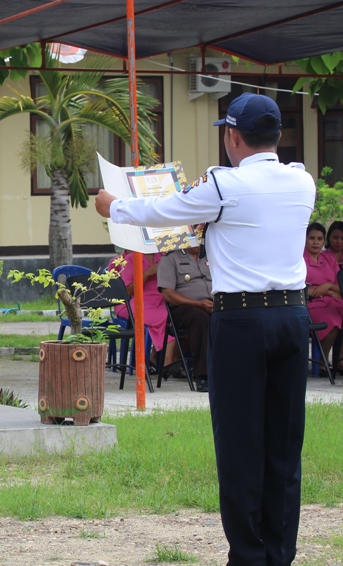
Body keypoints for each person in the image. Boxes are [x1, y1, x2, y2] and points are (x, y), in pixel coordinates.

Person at [95, 92, 315, 566]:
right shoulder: (302, 182)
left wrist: (114, 206)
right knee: (283, 445)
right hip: (293, 318)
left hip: (241, 320)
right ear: (276, 137)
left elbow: (162, 211)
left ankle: (248, 557)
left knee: (239, 445)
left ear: (233, 136)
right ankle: (279, 554)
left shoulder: (222, 184)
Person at [108, 249, 175, 372]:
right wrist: (147, 273)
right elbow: (128, 291)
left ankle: (155, 359)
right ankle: (167, 363)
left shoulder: (164, 257)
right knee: (170, 319)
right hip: (139, 302)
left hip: (162, 301)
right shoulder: (129, 260)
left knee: (181, 316)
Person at [157, 246, 212, 392]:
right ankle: (203, 376)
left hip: (214, 303)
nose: (199, 242)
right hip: (184, 307)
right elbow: (167, 294)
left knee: (236, 316)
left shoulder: (212, 255)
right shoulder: (170, 258)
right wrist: (198, 304)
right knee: (200, 318)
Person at [304, 221, 343, 364]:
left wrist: (326, 287)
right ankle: (322, 361)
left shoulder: (329, 259)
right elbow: (308, 291)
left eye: (319, 239)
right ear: (305, 239)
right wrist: (330, 291)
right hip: (310, 305)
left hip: (334, 301)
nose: (316, 242)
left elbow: (340, 287)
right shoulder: (299, 260)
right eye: (312, 238)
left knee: (336, 310)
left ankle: (339, 359)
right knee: (331, 319)